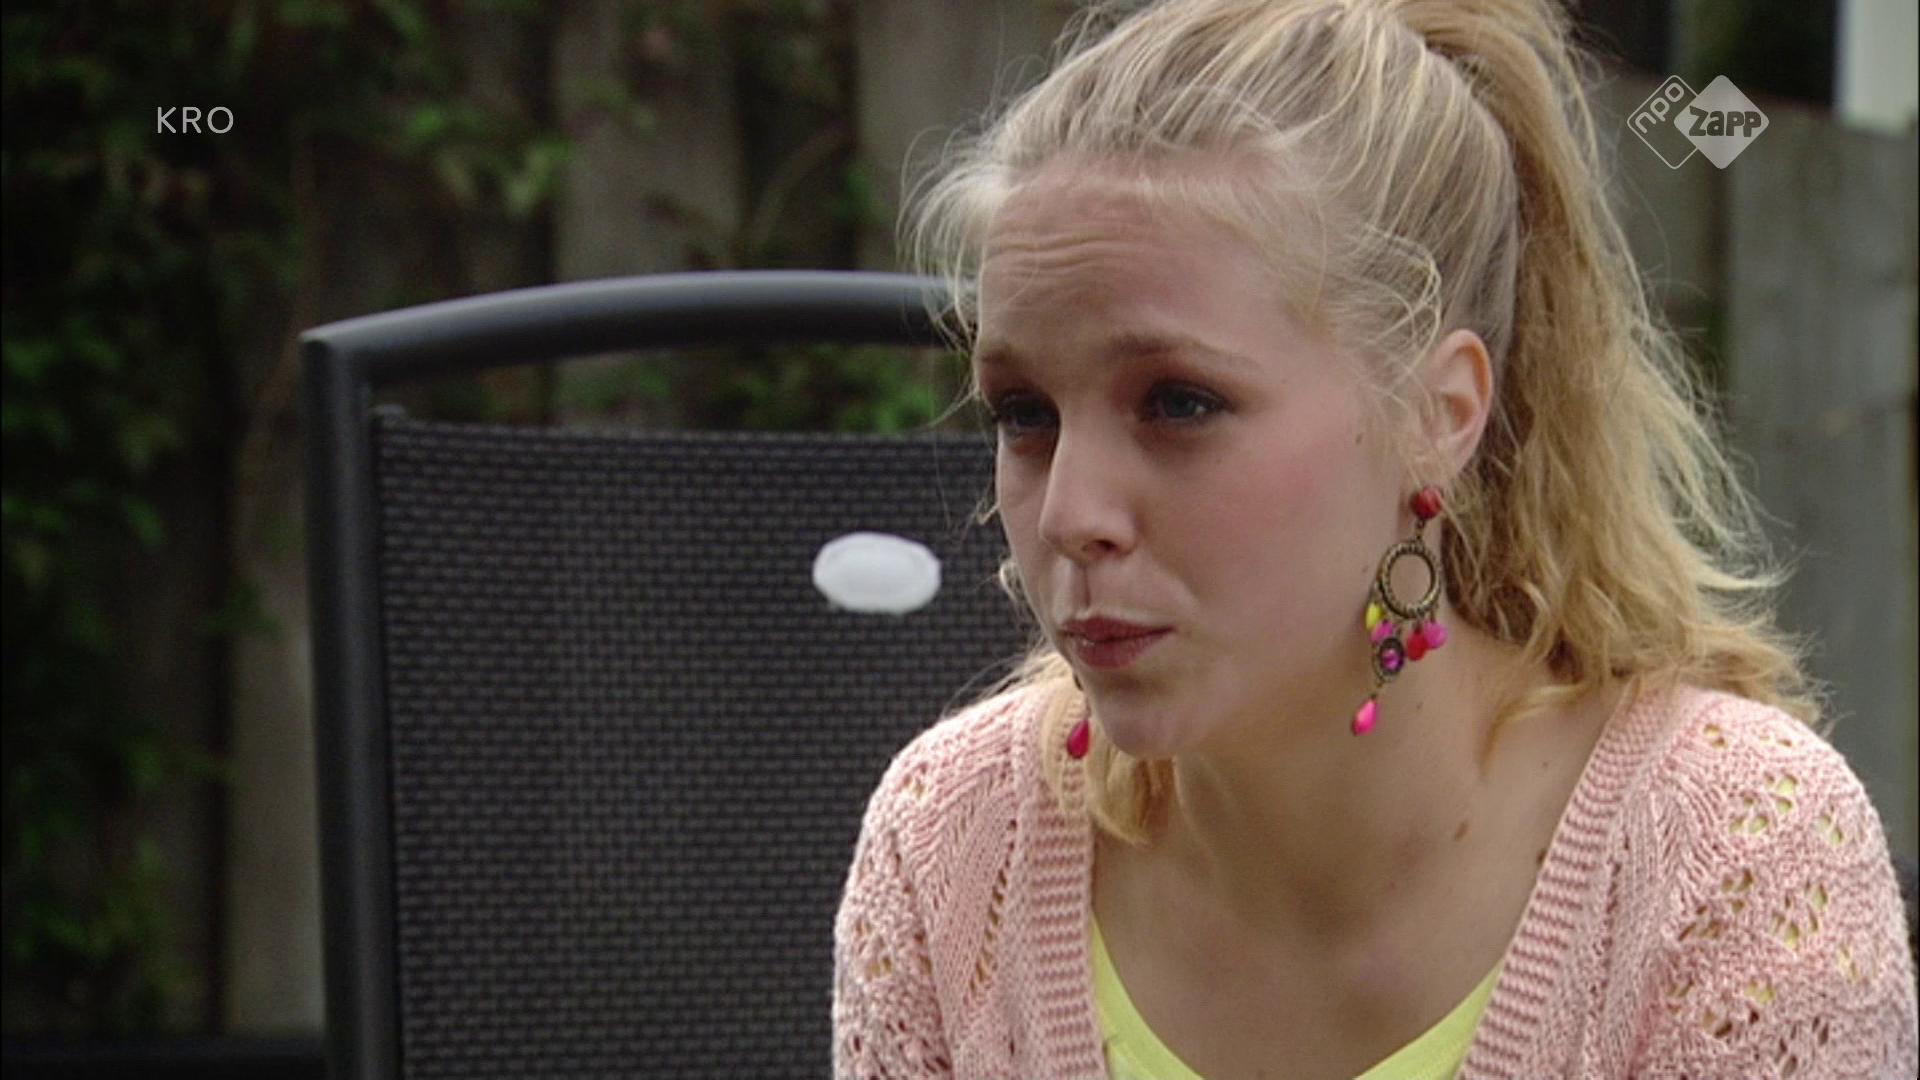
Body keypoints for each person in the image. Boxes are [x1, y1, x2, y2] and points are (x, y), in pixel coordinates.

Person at [832, 0, 1919, 1076]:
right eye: (1025, 413)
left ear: (1436, 415)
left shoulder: (1727, 865)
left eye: (1179, 403)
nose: (1070, 515)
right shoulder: (958, 849)